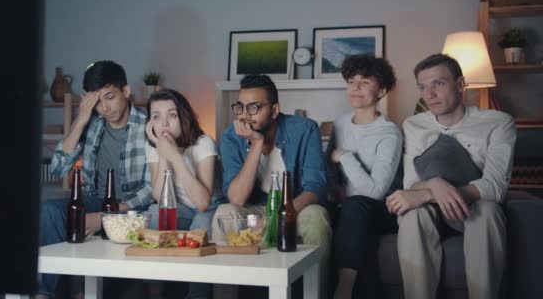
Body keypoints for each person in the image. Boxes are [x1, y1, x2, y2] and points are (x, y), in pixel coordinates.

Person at [386, 53, 516, 299]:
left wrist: (438, 192)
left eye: (439, 84)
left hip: (475, 206)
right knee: (412, 215)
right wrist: (435, 185)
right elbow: (411, 183)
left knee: (486, 212)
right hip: (431, 212)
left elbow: (496, 185)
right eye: (423, 87)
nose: (429, 94)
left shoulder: (499, 123)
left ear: (460, 84)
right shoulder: (413, 125)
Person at [39, 60, 153, 298]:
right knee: (50, 211)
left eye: (110, 97)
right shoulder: (91, 123)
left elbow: (150, 190)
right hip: (94, 200)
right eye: (97, 101)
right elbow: (59, 168)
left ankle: (79, 292)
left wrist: (107, 217)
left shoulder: (147, 126)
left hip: (131, 208)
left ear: (126, 91)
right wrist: (80, 120)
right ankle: (48, 293)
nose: (104, 108)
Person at [212, 74, 333, 298]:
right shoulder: (231, 136)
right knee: (224, 212)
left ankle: (314, 294)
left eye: (254, 107)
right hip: (255, 209)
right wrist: (256, 143)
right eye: (240, 107)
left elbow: (315, 186)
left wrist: (280, 216)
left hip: (294, 207)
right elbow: (237, 199)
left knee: (317, 216)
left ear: (275, 110)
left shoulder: (305, 129)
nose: (245, 115)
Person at [327, 55, 402, 299]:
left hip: (378, 208)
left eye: (365, 82)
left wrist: (346, 157)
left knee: (356, 205)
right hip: (345, 208)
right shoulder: (339, 124)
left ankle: (344, 290)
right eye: (351, 81)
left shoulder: (389, 133)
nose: (356, 88)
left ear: (381, 90)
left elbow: (375, 193)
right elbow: (328, 168)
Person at [144, 88, 223, 299]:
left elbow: (203, 202)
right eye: (156, 117)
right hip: (179, 206)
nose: (164, 123)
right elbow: (159, 197)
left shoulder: (203, 143)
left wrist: (175, 157)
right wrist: (164, 155)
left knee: (201, 224)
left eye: (172, 115)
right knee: (153, 217)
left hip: (210, 205)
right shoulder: (152, 146)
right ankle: (155, 293)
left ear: (183, 117)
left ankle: (198, 294)